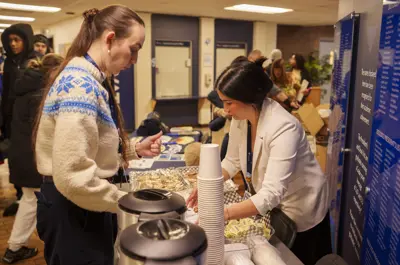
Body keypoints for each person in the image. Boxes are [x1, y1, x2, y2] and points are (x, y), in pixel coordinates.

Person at [32, 6, 161, 264]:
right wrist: (127, 201)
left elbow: (90, 145)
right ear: (110, 39)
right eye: (134, 49)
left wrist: (132, 150)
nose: (134, 60)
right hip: (74, 210)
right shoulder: (81, 85)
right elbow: (73, 175)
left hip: (81, 205)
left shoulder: (91, 78)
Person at [187, 58, 331, 265]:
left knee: (298, 257)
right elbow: (231, 162)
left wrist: (221, 213)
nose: (225, 110)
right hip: (274, 205)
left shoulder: (283, 127)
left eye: (229, 103)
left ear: (249, 99)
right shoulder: (241, 118)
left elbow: (271, 193)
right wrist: (208, 185)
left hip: (301, 206)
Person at [2, 54, 64, 264]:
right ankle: (15, 248)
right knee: (36, 202)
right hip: (33, 158)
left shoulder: (24, 87)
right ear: (52, 71)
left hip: (21, 154)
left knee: (30, 201)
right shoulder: (40, 94)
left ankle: (15, 247)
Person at [1, 23, 37, 217]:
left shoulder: (34, 62)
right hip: (11, 119)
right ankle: (19, 195)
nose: (13, 44)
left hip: (27, 121)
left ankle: (27, 196)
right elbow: (6, 93)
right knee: (14, 160)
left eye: (17, 40)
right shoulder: (9, 63)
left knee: (27, 160)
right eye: (10, 40)